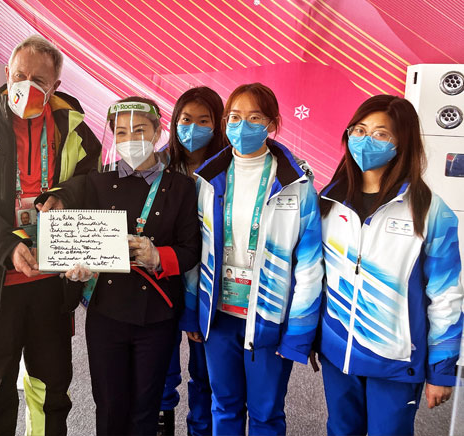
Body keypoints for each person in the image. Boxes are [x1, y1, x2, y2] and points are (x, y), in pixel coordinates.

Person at [0, 35, 101, 436]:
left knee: (52, 383)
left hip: (52, 281)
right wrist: (7, 245)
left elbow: (91, 181)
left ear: (55, 86)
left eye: (39, 80)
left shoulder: (76, 131)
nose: (26, 85)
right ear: (7, 74)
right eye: (19, 75)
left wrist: (65, 195)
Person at [48, 97, 200, 435]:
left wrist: (159, 256)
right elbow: (81, 241)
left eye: (140, 130)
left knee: (146, 407)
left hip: (157, 314)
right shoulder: (96, 183)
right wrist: (79, 269)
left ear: (158, 132)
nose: (131, 139)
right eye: (121, 132)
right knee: (109, 405)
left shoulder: (181, 187)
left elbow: (190, 251)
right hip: (106, 312)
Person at [318, 95, 463, 436]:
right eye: (359, 130)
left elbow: (446, 296)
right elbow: (316, 277)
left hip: (395, 361)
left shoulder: (429, 211)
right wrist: (309, 338)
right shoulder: (328, 201)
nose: (366, 140)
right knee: (340, 430)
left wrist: (441, 370)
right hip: (338, 352)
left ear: (402, 142)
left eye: (380, 134)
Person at [185, 82, 323, 435]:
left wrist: (299, 332)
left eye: (254, 117)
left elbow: (309, 265)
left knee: (266, 414)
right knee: (224, 406)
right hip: (219, 316)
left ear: (272, 123)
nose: (242, 125)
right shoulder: (207, 180)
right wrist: (192, 312)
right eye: (234, 117)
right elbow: (196, 252)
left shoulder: (296, 184)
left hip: (269, 318)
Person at [159, 86, 225, 436]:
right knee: (161, 371)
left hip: (210, 290)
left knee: (206, 375)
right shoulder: (157, 165)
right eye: (186, 120)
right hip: (163, 285)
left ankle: (201, 430)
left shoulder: (228, 169)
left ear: (218, 125)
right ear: (174, 121)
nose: (193, 128)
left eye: (204, 121)